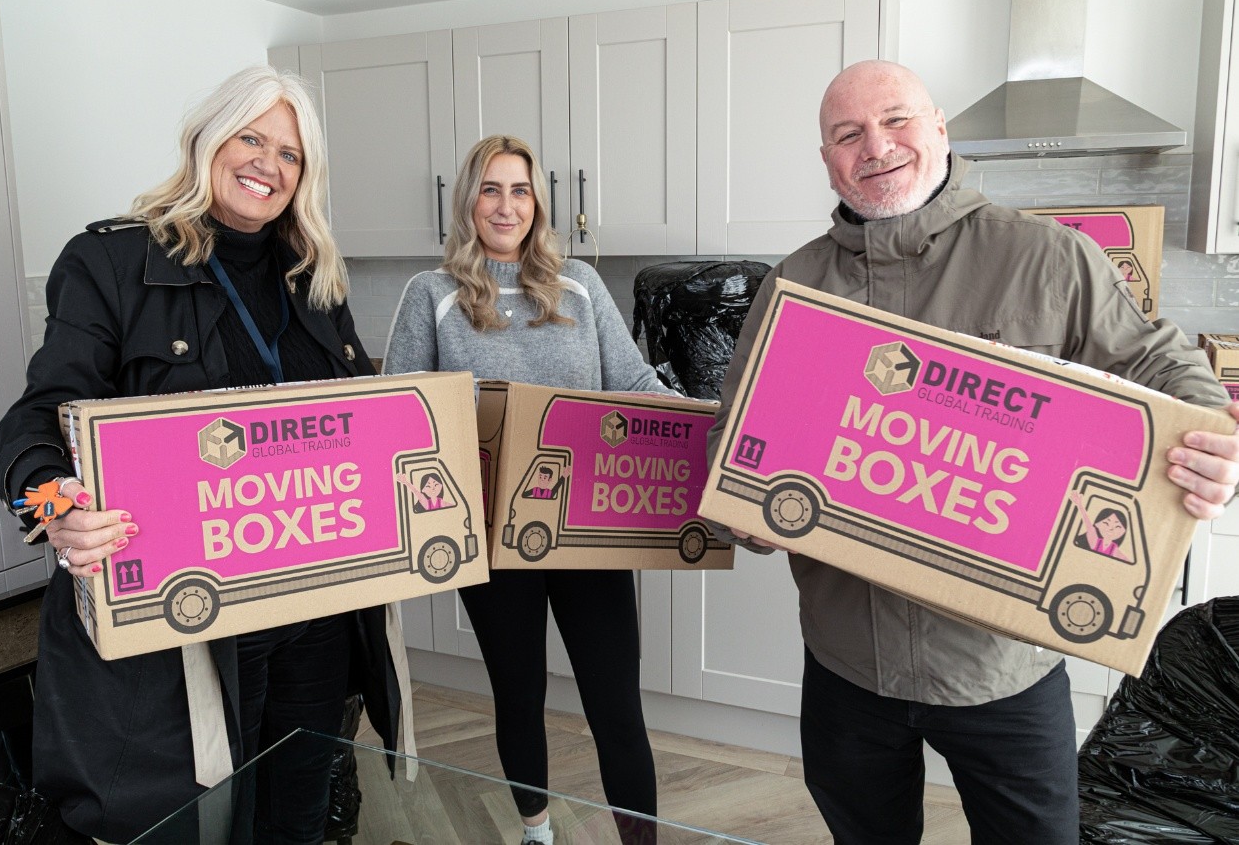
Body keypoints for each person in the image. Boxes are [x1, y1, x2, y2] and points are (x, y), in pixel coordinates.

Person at [706, 60, 1239, 845]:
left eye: (896, 120)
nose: (875, 146)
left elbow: (1164, 365)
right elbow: (733, 440)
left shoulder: (1043, 257)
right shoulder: (794, 284)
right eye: (847, 134)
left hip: (1002, 668)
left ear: (939, 128)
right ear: (826, 159)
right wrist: (744, 509)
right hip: (847, 666)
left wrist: (1211, 440)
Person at [0, 65, 403, 844]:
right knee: (211, 821)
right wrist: (53, 506)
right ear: (207, 139)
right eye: (251, 137)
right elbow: (38, 416)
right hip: (195, 622)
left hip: (313, 606)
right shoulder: (112, 262)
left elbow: (358, 421)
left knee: (300, 807)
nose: (267, 164)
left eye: (290, 154)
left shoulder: (313, 275)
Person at [383, 135, 669, 845]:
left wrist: (691, 423)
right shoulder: (432, 295)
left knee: (616, 706)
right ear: (465, 201)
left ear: (538, 200)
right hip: (489, 535)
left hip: (589, 529)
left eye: (519, 189)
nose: (505, 205)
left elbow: (631, 383)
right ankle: (535, 832)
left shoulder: (577, 282)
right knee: (519, 695)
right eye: (489, 189)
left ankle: (641, 841)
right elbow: (400, 410)